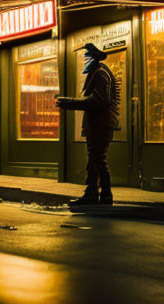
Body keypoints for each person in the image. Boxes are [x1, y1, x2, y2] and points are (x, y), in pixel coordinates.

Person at [55, 42, 120, 206]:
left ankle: (102, 195)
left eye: (87, 58)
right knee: (95, 160)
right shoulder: (99, 72)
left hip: (100, 125)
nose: (84, 61)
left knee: (98, 160)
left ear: (94, 59)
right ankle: (96, 194)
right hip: (99, 124)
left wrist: (70, 103)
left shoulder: (99, 74)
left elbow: (100, 100)